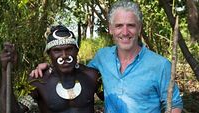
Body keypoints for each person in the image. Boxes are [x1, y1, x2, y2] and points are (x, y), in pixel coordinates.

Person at [30, 1, 183, 113]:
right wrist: (49, 66)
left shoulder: (160, 65)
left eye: (130, 25)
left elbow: (175, 105)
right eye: (118, 26)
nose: (125, 32)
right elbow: (73, 68)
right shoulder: (102, 57)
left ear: (139, 28)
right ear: (110, 29)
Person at [0, 25, 103, 113]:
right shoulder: (38, 81)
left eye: (69, 49)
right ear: (49, 54)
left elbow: (114, 100)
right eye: (57, 50)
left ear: (76, 51)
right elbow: (11, 111)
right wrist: (5, 71)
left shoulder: (92, 76)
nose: (64, 55)